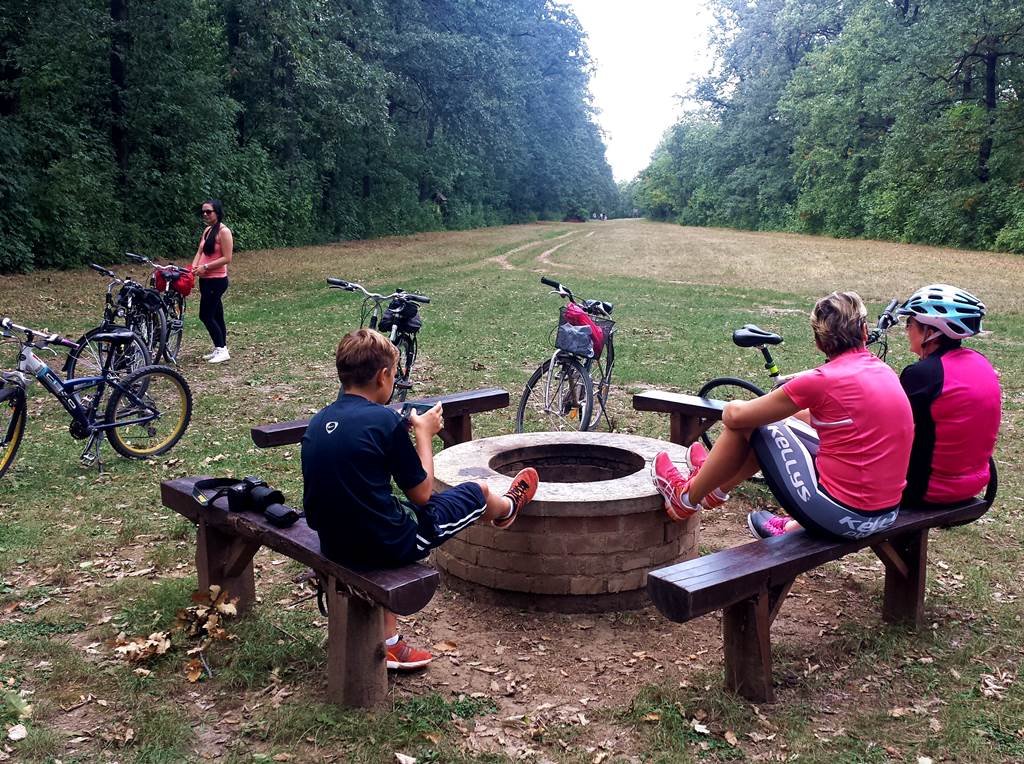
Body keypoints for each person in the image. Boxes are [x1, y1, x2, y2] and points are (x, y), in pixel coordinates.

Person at [301, 329, 539, 670]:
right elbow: (424, 493)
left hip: (333, 542)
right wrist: (424, 433)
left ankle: (391, 643)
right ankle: (507, 508)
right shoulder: (385, 422)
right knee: (477, 492)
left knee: (370, 512)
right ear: (384, 376)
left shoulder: (319, 419)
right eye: (394, 374)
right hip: (388, 544)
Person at [652, 291, 914, 541]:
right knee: (778, 421)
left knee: (751, 424)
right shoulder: (883, 370)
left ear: (818, 342)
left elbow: (734, 417)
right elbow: (835, 424)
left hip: (842, 517)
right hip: (885, 514)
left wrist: (738, 405)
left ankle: (685, 498)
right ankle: (713, 487)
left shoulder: (821, 381)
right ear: (865, 332)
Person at [896, 284, 1000, 506]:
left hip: (929, 490)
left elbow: (886, 426)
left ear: (931, 332)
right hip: (975, 482)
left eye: (910, 323)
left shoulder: (923, 374)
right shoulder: (981, 362)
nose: (907, 330)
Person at [191, 199, 233, 363]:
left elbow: (227, 258)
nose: (205, 214)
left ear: (217, 212)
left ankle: (222, 349)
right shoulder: (207, 230)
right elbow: (200, 251)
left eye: (209, 211)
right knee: (217, 314)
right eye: (203, 212)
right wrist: (194, 267)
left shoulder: (224, 232)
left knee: (206, 315)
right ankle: (220, 348)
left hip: (217, 280)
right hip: (205, 279)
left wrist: (206, 267)